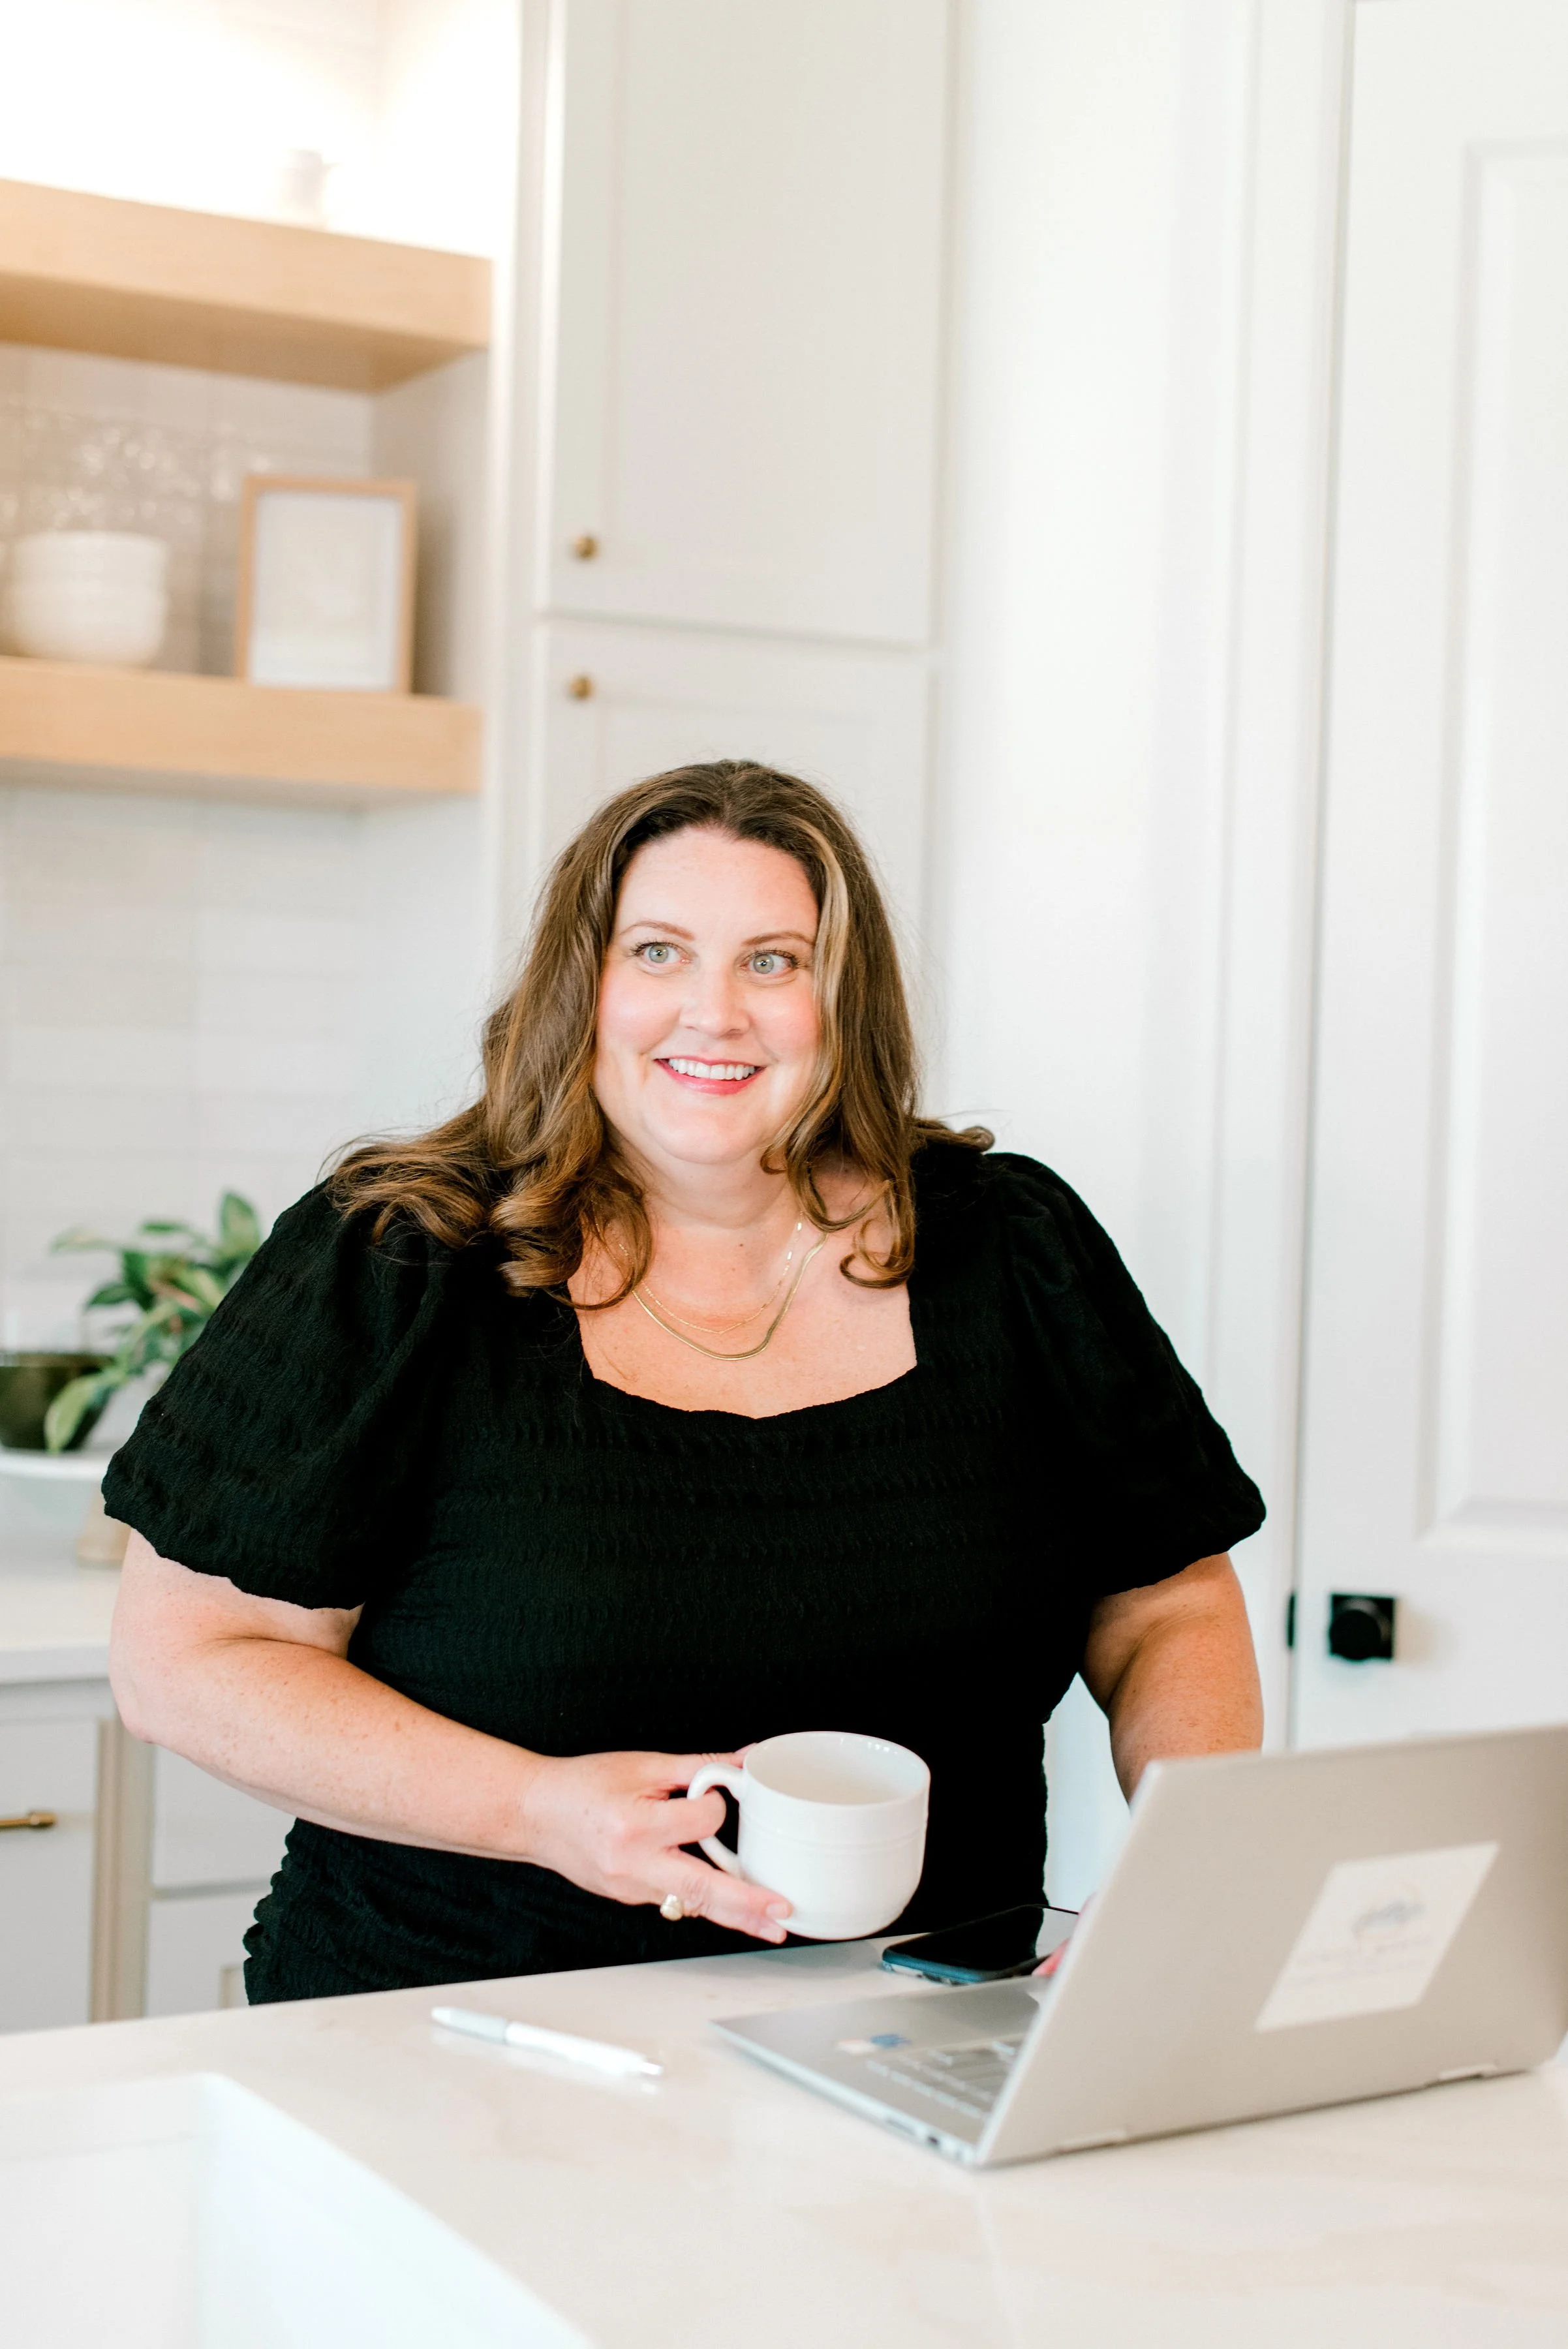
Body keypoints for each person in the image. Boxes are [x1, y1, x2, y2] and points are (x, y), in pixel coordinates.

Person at [106, 760, 1265, 2004]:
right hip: (458, 2024)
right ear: (582, 985)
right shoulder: (397, 1258)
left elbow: (1167, 1606)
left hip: (921, 2028)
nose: (713, 1013)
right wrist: (538, 1810)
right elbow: (185, 1659)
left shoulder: (1014, 1249)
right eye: (656, 952)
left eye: (774, 962)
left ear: (842, 1000)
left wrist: (1186, 1866)